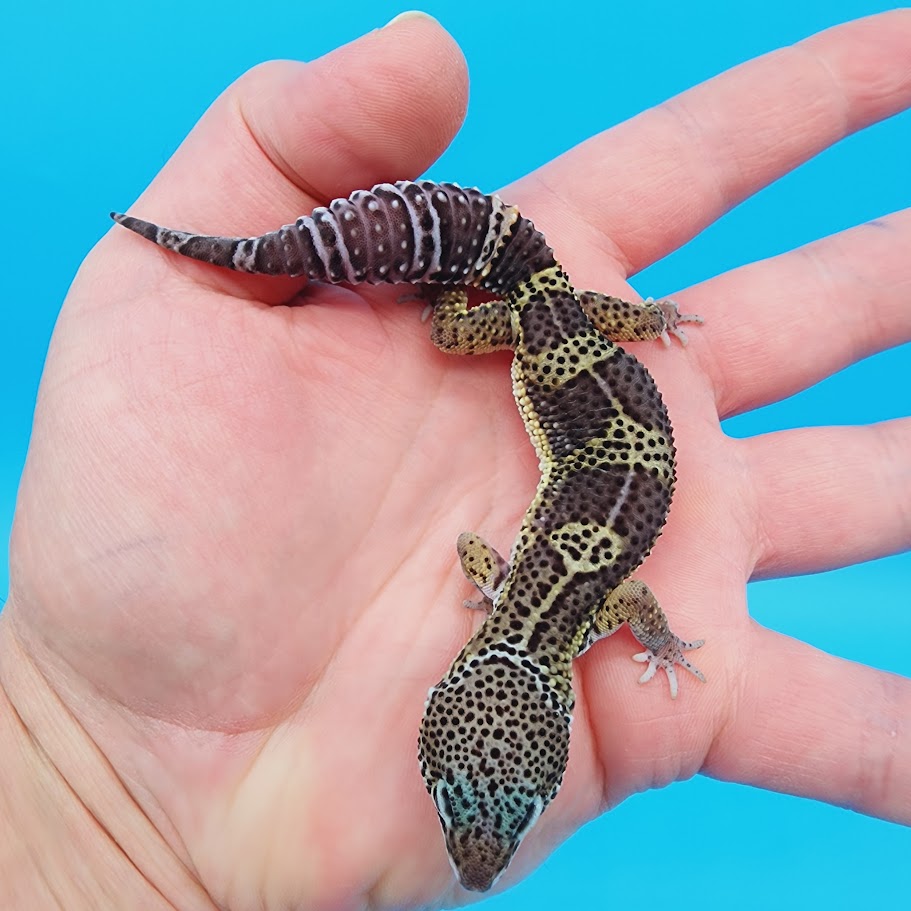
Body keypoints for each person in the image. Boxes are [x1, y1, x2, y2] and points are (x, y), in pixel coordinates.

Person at [1, 10, 909, 910]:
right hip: (557, 342)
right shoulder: (514, 597)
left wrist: (659, 635)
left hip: (579, 350)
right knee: (446, 333)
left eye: (466, 811)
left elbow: (628, 597)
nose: (478, 858)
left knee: (465, 323)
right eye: (502, 817)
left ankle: (491, 280)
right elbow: (495, 560)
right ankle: (456, 279)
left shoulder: (577, 624)